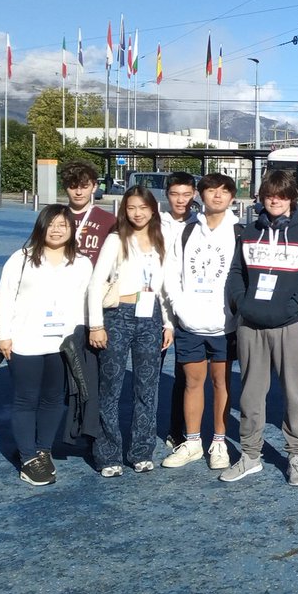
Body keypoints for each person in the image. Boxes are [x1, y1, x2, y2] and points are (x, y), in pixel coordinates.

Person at [221, 170, 298, 487]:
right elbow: (236, 273)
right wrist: (242, 304)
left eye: (281, 195)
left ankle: (295, 456)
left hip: (292, 325)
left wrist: (291, 306)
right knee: (251, 394)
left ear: (293, 198)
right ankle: (250, 455)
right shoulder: (249, 231)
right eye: (269, 195)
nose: (275, 200)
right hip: (251, 325)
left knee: (295, 394)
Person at [0, 205, 94, 485]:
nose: (57, 230)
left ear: (72, 229)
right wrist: (3, 334)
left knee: (53, 399)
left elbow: (86, 302)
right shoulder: (21, 259)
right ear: (41, 226)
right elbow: (5, 297)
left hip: (62, 344)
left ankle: (43, 450)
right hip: (26, 340)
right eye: (51, 224)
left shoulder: (81, 263)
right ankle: (28, 458)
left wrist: (81, 335)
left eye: (63, 225)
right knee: (25, 399)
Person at [87, 186, 174, 477]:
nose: (138, 213)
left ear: (153, 210)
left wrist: (168, 323)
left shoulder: (162, 240)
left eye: (143, 207)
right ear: (125, 210)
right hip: (118, 316)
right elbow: (96, 283)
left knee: (147, 389)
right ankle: (108, 454)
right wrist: (96, 325)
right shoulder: (116, 239)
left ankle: (141, 452)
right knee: (110, 388)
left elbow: (164, 287)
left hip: (151, 317)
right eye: (132, 207)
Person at [160, 174, 241, 471]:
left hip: (224, 325)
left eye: (224, 191)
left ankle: (219, 442)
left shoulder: (239, 231)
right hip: (190, 324)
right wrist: (180, 309)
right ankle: (192, 442)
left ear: (232, 197)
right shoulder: (187, 230)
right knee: (192, 384)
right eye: (211, 190)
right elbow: (172, 273)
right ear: (201, 195)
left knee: (222, 384)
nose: (217, 196)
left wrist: (235, 312)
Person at [160, 171, 199, 449]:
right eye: (175, 194)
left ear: (194, 194)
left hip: (189, 307)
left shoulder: (201, 225)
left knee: (185, 375)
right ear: (167, 195)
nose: (181, 200)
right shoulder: (155, 223)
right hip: (156, 306)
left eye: (186, 194)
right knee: (150, 373)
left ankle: (178, 430)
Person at [61, 161, 116, 263]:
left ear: (94, 187)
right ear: (65, 187)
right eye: (73, 187)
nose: (78, 192)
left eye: (84, 187)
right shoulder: (54, 218)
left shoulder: (109, 220)